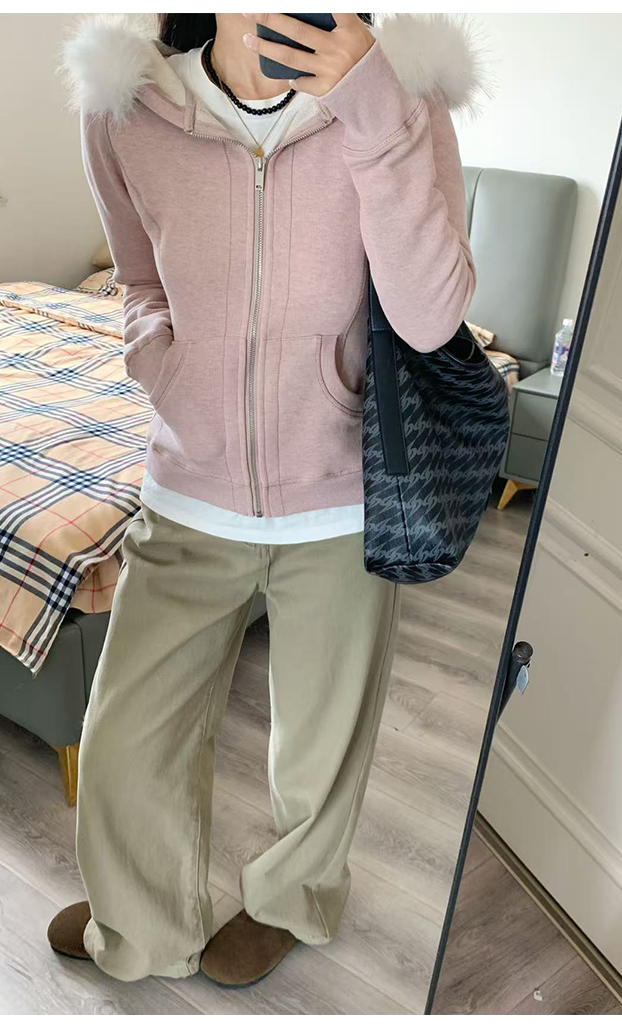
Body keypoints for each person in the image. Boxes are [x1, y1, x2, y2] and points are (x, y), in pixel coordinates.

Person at [52, 12, 480, 986]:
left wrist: (371, 107)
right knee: (127, 739)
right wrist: (163, 362)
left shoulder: (405, 93)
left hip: (341, 501)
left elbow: (430, 318)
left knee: (322, 747)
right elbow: (137, 275)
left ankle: (289, 902)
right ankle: (142, 920)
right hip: (188, 489)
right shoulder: (127, 109)